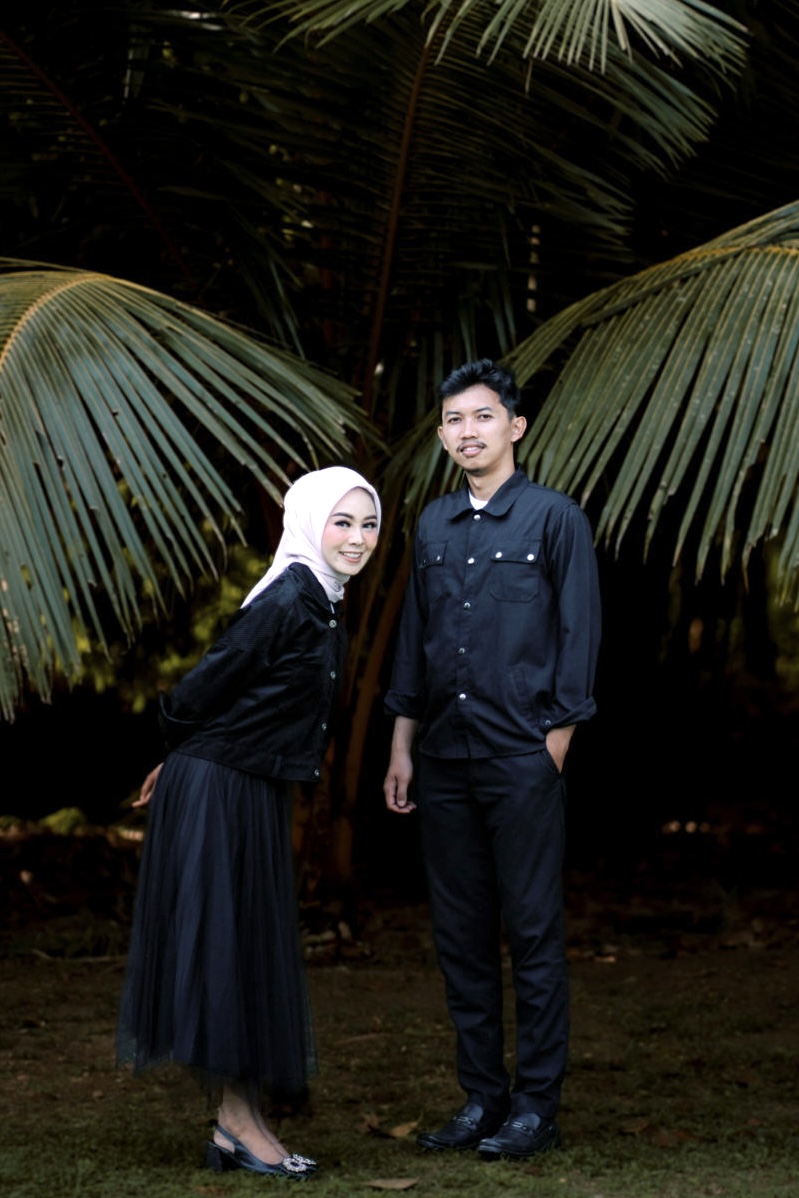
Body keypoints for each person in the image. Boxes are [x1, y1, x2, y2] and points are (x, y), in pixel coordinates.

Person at [117, 466, 381, 1180]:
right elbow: (205, 684)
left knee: (245, 948)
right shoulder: (291, 598)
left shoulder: (321, 597)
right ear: (310, 524)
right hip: (221, 787)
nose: (357, 539)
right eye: (342, 522)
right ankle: (237, 1123)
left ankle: (237, 1125)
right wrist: (181, 752)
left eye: (368, 525)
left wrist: (189, 753)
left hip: (246, 784)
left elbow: (245, 698)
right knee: (229, 952)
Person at [382, 359, 601, 1161]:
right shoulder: (434, 525)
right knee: (461, 936)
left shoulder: (554, 519)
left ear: (515, 426)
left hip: (521, 758)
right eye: (452, 420)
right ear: (442, 437)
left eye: (481, 416)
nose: (466, 431)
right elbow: (414, 640)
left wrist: (554, 744)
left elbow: (578, 633)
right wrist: (402, 746)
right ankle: (482, 1099)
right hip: (442, 757)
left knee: (533, 932)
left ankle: (535, 1107)